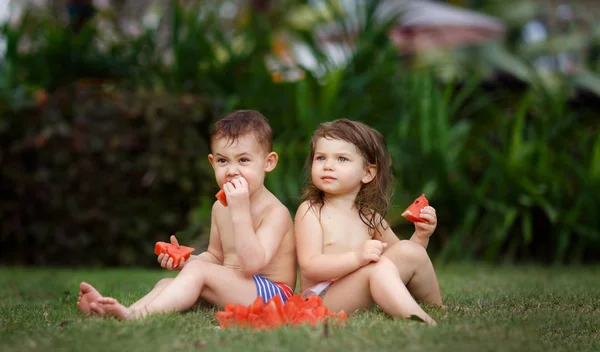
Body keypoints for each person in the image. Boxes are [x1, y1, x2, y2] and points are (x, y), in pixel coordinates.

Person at [77, 110, 297, 320]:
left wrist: (240, 212)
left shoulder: (275, 212)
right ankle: (124, 312)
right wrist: (185, 261)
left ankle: (136, 317)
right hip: (237, 288)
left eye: (243, 160)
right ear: (212, 163)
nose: (232, 170)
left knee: (198, 272)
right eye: (223, 161)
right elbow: (215, 257)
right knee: (167, 283)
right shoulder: (220, 208)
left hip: (272, 296)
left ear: (268, 162)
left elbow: (252, 266)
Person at [294, 118, 444, 326]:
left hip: (362, 287)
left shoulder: (370, 217)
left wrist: (421, 236)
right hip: (323, 299)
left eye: (342, 159)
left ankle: (437, 307)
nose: (328, 166)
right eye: (321, 158)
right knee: (378, 266)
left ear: (367, 173)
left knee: (410, 250)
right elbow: (310, 266)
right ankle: (417, 318)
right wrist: (357, 258)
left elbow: (401, 260)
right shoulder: (311, 211)